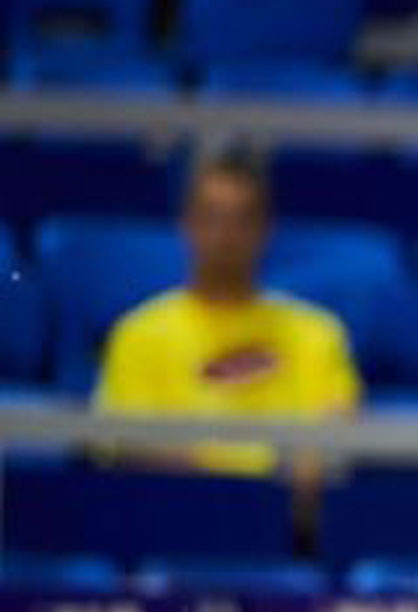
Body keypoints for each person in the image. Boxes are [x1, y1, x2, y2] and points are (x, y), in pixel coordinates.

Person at [93, 153, 361, 477]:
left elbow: (339, 427)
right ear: (186, 223)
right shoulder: (139, 332)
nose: (224, 234)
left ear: (265, 228)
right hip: (176, 508)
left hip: (285, 513)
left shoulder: (316, 332)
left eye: (240, 220)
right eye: (212, 217)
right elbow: (123, 441)